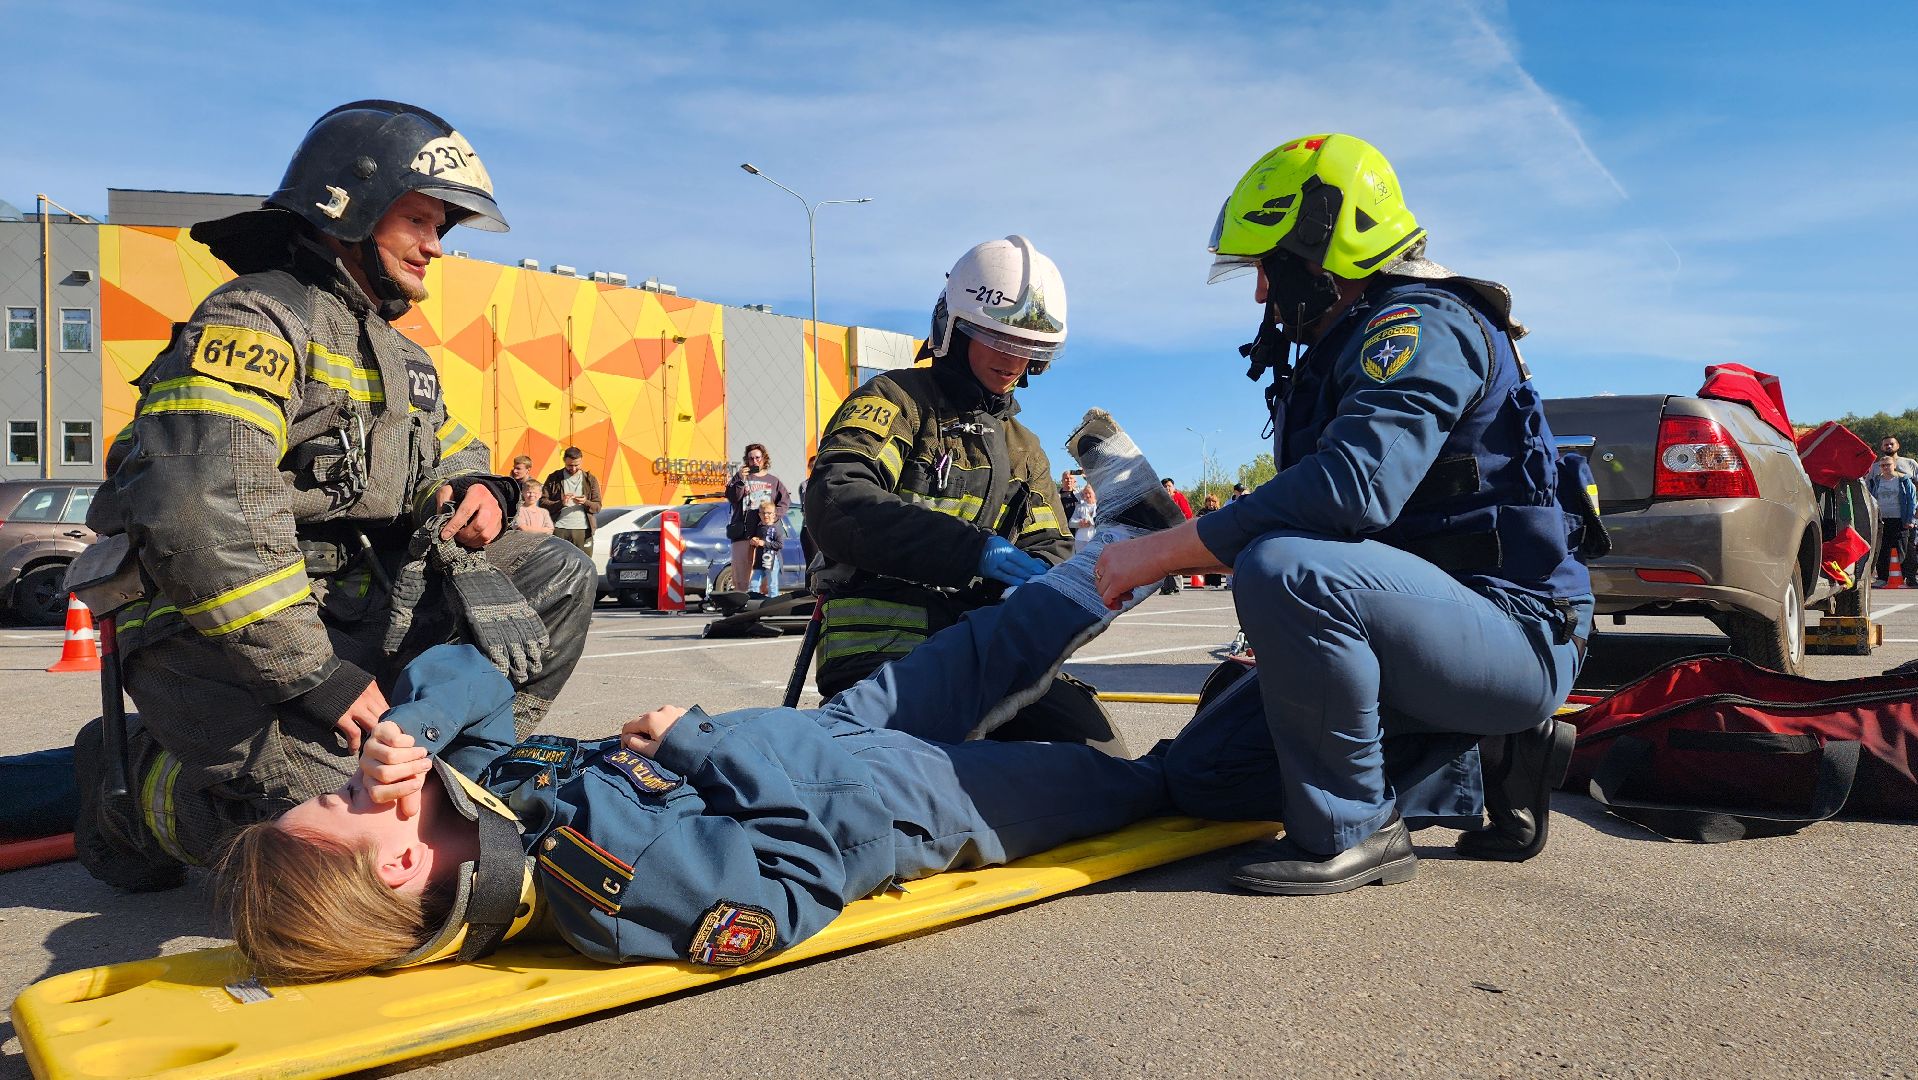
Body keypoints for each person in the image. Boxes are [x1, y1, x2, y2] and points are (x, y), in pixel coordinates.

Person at [216, 411, 1186, 981]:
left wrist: (409, 727)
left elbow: (475, 677)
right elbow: (796, 884)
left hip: (825, 735)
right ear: (400, 869)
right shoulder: (597, 883)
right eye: (347, 805)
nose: (355, 781)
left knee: (997, 640)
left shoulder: (481, 790)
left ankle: (1132, 541)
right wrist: (694, 748)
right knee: (1127, 785)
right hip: (898, 804)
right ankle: (1279, 732)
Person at [70, 100, 597, 892]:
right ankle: (136, 797)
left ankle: (440, 775)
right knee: (320, 834)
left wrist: (475, 485)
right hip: (219, 644)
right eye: (420, 220)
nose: (435, 248)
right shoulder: (256, 319)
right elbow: (204, 513)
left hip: (350, 618)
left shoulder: (399, 353)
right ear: (344, 209)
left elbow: (442, 447)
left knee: (557, 571)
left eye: (443, 229)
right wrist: (316, 677)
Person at [1092, 133, 1599, 893]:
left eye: (1267, 268)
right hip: (1423, 632)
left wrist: (1163, 552)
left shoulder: (1422, 326)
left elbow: (1350, 492)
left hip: (1516, 628)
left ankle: (1356, 828)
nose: (1261, 294)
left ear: (1320, 252)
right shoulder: (1343, 345)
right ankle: (1493, 752)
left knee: (1286, 570)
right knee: (1207, 778)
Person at [804, 236, 1123, 751]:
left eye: (1028, 348)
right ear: (953, 329)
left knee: (1098, 757)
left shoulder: (1023, 448)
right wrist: (971, 550)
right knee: (926, 778)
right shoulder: (897, 400)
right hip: (883, 648)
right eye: (999, 339)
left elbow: (1051, 543)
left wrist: (1046, 581)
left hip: (984, 646)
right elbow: (839, 500)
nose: (1014, 360)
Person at [723, 443, 791, 591]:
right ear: (747, 460)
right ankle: (742, 600)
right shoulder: (741, 477)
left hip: (765, 533)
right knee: (741, 569)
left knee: (765, 569)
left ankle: (762, 601)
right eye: (751, 458)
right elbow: (732, 497)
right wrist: (740, 479)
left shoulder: (774, 481)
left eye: (758, 458)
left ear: (764, 458)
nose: (755, 461)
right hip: (743, 532)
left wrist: (773, 516)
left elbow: (785, 501)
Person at [540, 447, 602, 553]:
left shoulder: (590, 479)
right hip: (559, 529)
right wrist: (561, 503)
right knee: (558, 563)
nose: (573, 469)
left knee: (584, 564)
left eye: (576, 465)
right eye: (569, 465)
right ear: (564, 461)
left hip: (583, 530)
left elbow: (597, 507)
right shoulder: (554, 478)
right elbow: (542, 503)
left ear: (581, 461)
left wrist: (585, 502)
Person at [1867, 455, 1916, 585]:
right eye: (1883, 465)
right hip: (1882, 520)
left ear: (1894, 465)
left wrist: (1910, 519)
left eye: (1888, 464)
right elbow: (1871, 498)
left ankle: (1902, 576)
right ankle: (1882, 578)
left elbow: (1912, 501)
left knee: (1901, 549)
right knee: (1882, 549)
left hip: (1900, 519)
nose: (1886, 468)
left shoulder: (1903, 480)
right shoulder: (1876, 481)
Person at [1158, 478, 1195, 594]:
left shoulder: (1179, 497)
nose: (1167, 488)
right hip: (1163, 532)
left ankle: (1176, 585)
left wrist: (1187, 528)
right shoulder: (1159, 500)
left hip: (1177, 531)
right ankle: (1165, 586)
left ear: (1173, 487)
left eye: (1169, 485)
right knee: (1163, 559)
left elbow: (1188, 513)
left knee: (1174, 558)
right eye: (1165, 486)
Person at [746, 501, 783, 598]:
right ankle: (753, 599)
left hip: (772, 560)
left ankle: (773, 603)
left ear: (774, 514)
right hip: (759, 559)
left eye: (769, 513)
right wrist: (753, 540)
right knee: (754, 582)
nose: (766, 515)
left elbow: (779, 544)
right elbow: (756, 539)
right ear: (759, 514)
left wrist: (764, 543)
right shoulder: (759, 527)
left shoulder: (776, 528)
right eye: (763, 513)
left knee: (772, 584)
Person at [1070, 482, 1099, 552]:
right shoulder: (1079, 507)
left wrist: (1091, 522)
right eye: (1085, 493)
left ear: (1094, 493)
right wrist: (1079, 523)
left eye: (1089, 493)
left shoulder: (1100, 506)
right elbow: (1070, 523)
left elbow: (1103, 520)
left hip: (1096, 539)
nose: (1087, 495)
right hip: (1080, 539)